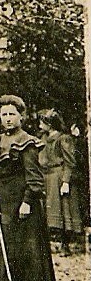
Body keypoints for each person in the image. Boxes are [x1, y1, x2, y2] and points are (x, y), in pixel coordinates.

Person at [0, 95, 57, 281]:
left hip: (22, 202)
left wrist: (27, 202)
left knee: (24, 248)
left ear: (21, 117)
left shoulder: (28, 142)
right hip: (1, 200)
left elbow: (34, 178)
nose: (7, 118)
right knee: (4, 244)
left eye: (12, 114)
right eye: (4, 114)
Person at [37, 109, 82, 254]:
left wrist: (66, 181)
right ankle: (52, 244)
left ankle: (65, 245)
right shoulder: (42, 138)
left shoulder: (63, 139)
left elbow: (70, 162)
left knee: (64, 211)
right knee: (49, 211)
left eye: (42, 122)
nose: (40, 124)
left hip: (58, 177)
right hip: (46, 177)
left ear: (50, 124)